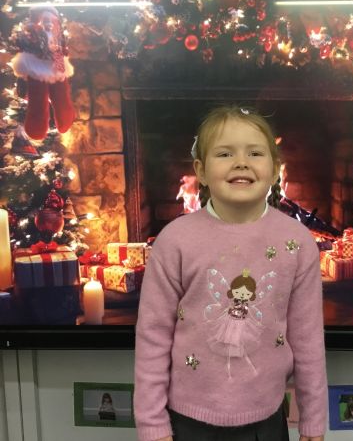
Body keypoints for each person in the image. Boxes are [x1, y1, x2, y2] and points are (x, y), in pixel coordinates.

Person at [134, 106, 327, 441]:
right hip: (186, 423)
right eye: (225, 154)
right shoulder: (175, 240)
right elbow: (152, 337)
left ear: (275, 170)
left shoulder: (297, 242)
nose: (241, 162)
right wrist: (152, 424)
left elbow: (308, 339)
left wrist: (313, 418)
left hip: (266, 422)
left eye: (255, 153)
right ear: (201, 171)